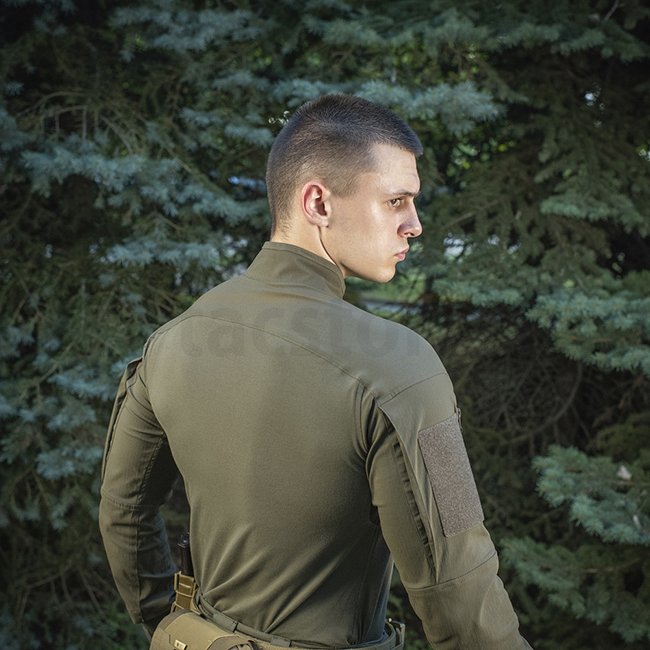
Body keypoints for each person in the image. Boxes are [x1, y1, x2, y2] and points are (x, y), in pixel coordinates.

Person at [99, 94, 532, 649]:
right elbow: (459, 589)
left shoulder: (173, 340)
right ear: (318, 203)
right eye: (396, 201)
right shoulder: (402, 366)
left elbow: (124, 510)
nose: (415, 225)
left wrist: (167, 625)